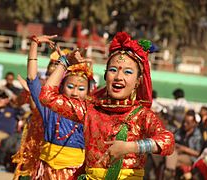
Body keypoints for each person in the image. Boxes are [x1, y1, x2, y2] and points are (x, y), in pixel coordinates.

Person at [39, 31, 175, 179]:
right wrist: (65, 63)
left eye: (128, 72)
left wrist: (130, 147)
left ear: (138, 81)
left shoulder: (142, 115)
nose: (118, 77)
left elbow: (168, 141)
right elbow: (47, 97)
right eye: (113, 70)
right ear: (105, 75)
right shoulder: (89, 109)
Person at [24, 34, 94, 179]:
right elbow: (32, 79)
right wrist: (34, 44)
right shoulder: (49, 107)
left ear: (89, 91)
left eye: (81, 89)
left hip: (74, 173)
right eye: (70, 86)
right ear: (61, 87)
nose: (74, 93)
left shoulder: (90, 111)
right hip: (46, 171)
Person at [164, 110, 203, 179]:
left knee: (170, 157)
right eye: (184, 121)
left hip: (189, 157)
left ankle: (169, 173)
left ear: (194, 123)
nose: (185, 124)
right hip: (177, 154)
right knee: (171, 155)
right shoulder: (180, 130)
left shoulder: (198, 136)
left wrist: (184, 149)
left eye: (188, 123)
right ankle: (170, 172)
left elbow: (198, 153)